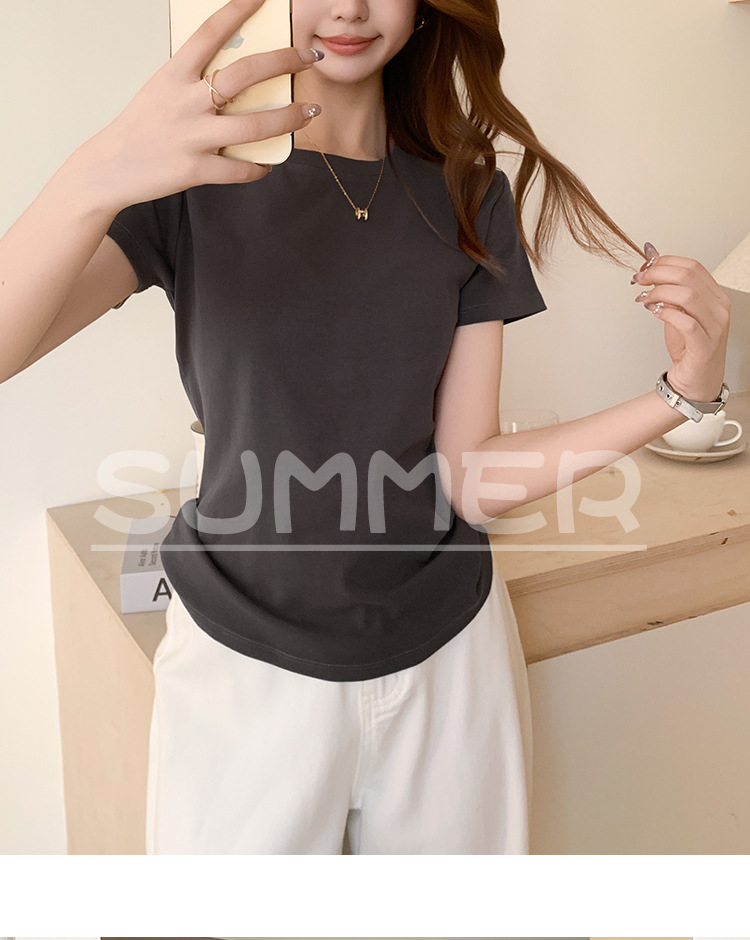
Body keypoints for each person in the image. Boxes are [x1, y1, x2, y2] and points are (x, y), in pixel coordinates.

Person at [0, 0, 731, 855]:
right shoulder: (188, 180)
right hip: (243, 667)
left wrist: (681, 393)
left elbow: (469, 477)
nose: (348, 5)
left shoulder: (468, 192)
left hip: (449, 661)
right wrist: (101, 168)